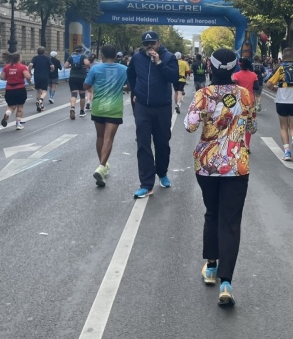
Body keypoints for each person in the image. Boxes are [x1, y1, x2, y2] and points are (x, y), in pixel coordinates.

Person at [184, 48, 257, 307]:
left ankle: (211, 266)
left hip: (207, 166)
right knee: (231, 221)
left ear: (210, 66)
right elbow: (252, 126)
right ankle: (226, 283)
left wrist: (207, 115)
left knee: (212, 213)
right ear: (235, 67)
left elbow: (190, 125)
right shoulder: (245, 94)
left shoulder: (203, 95)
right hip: (237, 165)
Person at [127, 31, 180, 198]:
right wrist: (135, 92)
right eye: (146, 44)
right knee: (143, 143)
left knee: (162, 142)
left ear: (159, 42)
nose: (149, 46)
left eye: (152, 43)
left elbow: (174, 77)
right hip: (142, 106)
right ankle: (146, 184)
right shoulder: (137, 58)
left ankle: (162, 173)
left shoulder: (169, 57)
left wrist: (159, 62)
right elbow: (131, 75)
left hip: (162, 107)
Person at [84, 44, 129, 187]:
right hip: (114, 109)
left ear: (102, 56)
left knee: (100, 137)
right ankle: (102, 166)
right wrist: (120, 86)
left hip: (98, 107)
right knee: (109, 138)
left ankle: (102, 165)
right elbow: (130, 86)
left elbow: (86, 86)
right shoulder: (124, 69)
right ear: (115, 56)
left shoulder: (95, 68)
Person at [232, 58, 259, 153]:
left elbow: (234, 87)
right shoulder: (253, 75)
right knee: (249, 124)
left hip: (240, 102)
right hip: (251, 101)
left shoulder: (236, 75)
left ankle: (239, 145)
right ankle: (247, 145)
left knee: (238, 123)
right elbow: (257, 87)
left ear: (240, 65)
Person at [0, 52, 32, 130]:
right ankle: (18, 124)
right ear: (19, 58)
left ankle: (8, 113)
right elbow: (27, 76)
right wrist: (29, 80)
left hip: (9, 89)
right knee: (20, 107)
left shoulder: (6, 67)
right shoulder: (22, 67)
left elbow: (2, 77)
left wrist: (10, 78)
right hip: (20, 88)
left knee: (11, 106)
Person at [65, 45, 91, 120]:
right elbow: (86, 63)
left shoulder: (71, 57)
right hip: (82, 77)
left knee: (73, 94)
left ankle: (72, 108)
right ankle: (82, 111)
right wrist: (89, 68)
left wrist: (72, 66)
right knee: (82, 95)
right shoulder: (83, 56)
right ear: (82, 50)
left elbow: (66, 66)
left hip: (72, 77)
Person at [29, 46, 52, 113]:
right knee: (44, 91)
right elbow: (52, 66)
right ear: (44, 51)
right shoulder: (47, 58)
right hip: (45, 76)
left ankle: (40, 105)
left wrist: (29, 71)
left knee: (38, 91)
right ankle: (40, 100)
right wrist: (52, 70)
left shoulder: (35, 58)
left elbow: (30, 65)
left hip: (37, 76)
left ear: (37, 51)